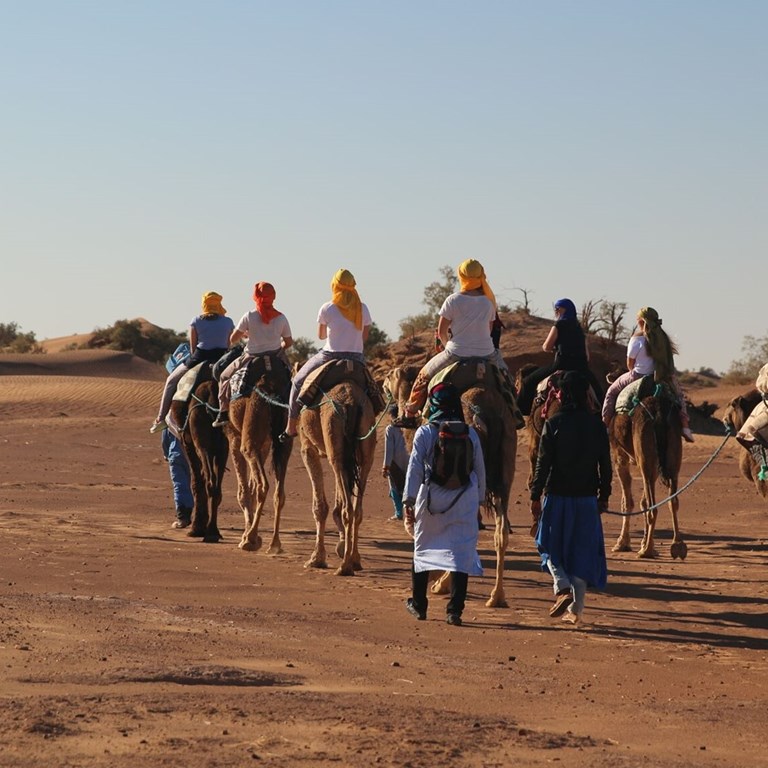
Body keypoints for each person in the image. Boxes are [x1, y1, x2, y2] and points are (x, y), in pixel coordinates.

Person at [529, 371, 610, 625]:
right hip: (587, 499)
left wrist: (534, 494)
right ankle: (576, 611)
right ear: (587, 395)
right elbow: (605, 466)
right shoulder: (597, 426)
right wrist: (604, 495)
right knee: (582, 553)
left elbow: (542, 464)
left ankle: (561, 585)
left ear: (561, 395)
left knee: (548, 544)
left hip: (557, 497)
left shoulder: (553, 424)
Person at [402, 383, 485, 627]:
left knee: (423, 548)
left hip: (432, 498)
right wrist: (479, 501)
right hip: (465, 497)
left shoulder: (425, 432)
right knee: (461, 553)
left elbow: (415, 468)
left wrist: (408, 499)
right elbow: (479, 469)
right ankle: (454, 611)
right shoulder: (470, 433)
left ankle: (419, 605)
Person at [397, 259, 517, 426]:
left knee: (423, 377)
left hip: (456, 353)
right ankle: (515, 414)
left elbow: (441, 331)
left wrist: (448, 346)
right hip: (487, 354)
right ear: (481, 276)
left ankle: (409, 413)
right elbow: (488, 331)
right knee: (508, 381)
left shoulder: (453, 300)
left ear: (461, 276)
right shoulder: (488, 302)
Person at [279, 268, 372, 441]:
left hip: (330, 356)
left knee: (298, 381)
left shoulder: (327, 308)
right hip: (357, 358)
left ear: (334, 286)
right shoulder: (363, 308)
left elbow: (321, 336)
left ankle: (290, 426)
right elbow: (364, 336)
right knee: (373, 391)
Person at [601, 306, 694, 442]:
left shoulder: (637, 340)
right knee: (679, 396)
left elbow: (630, 365)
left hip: (638, 375)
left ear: (641, 321)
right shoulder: (663, 338)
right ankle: (685, 427)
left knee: (611, 392)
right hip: (662, 377)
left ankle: (605, 426)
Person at [150, 292, 235, 433]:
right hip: (221, 360)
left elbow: (192, 347)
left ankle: (160, 419)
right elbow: (228, 344)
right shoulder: (228, 322)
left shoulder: (196, 321)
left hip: (199, 358)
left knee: (171, 380)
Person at [212, 282, 293, 428]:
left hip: (251, 356)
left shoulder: (249, 316)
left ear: (256, 297)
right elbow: (288, 342)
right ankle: (294, 411)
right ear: (273, 297)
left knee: (224, 376)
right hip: (275, 355)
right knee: (292, 377)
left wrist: (245, 334)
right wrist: (278, 347)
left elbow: (232, 339)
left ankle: (223, 412)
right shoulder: (281, 318)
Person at [517, 298, 603, 416]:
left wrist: (554, 348)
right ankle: (604, 421)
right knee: (599, 393)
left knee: (528, 382)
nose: (556, 311)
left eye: (558, 309)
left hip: (562, 364)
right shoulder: (579, 329)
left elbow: (546, 346)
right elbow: (587, 356)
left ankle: (521, 415)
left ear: (565, 310)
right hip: (581, 367)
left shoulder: (558, 325)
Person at [161, 342, 195, 528]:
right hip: (199, 447)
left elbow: (166, 428)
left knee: (180, 480)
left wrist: (166, 452)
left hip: (177, 447)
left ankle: (183, 516)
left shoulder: (174, 394)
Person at [382, 404, 410, 521]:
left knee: (394, 487)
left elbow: (389, 449)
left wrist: (386, 466)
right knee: (408, 485)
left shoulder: (390, 428)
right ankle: (409, 511)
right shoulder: (408, 425)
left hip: (395, 461)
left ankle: (399, 513)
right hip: (409, 458)